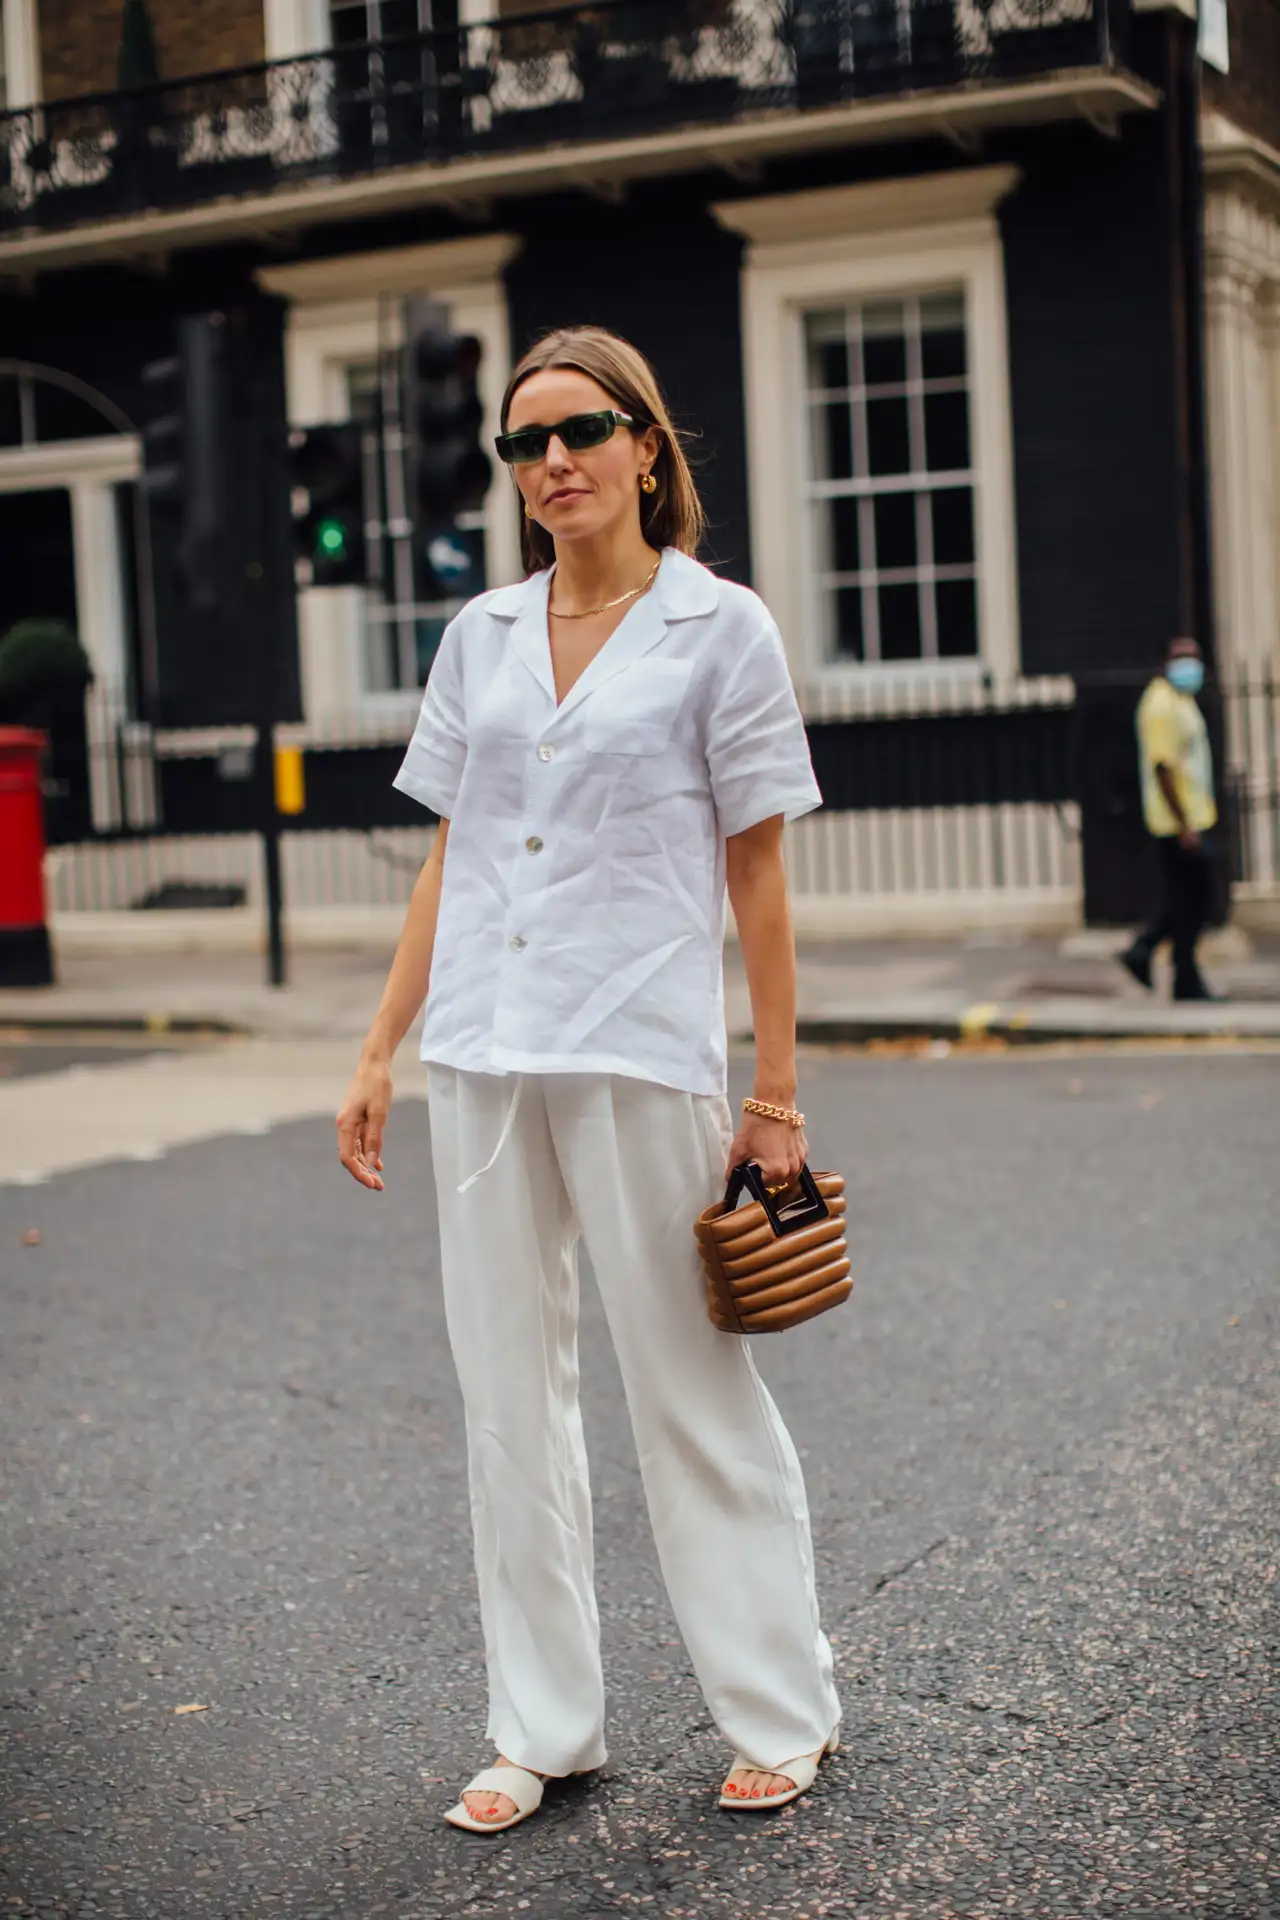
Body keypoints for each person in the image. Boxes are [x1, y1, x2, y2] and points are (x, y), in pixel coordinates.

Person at [336, 326, 841, 1833]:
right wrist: (377, 1045)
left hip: (636, 1040)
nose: (550, 461)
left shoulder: (719, 627)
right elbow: (450, 855)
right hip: (482, 1049)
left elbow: (759, 873)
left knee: (689, 1385)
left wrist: (777, 1089)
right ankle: (541, 1726)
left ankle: (778, 1708)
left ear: (644, 444)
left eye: (579, 430)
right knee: (507, 1398)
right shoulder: (479, 635)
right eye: (523, 442)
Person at [1117, 637, 1221, 1002]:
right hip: (1177, 823)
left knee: (1188, 901)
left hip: (1192, 817)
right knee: (1191, 902)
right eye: (1181, 658)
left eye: (1194, 657)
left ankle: (1158, 960)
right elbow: (1162, 768)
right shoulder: (1160, 705)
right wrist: (1184, 824)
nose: (1190, 665)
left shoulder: (1179, 700)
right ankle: (1166, 965)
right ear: (1164, 662)